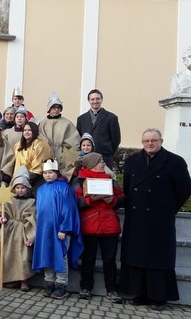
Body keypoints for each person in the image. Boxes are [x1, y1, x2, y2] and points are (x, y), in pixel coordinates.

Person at [120, 128, 191, 310]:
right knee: (137, 255)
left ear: (161, 141)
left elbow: (184, 189)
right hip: (137, 218)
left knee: (158, 257)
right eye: (146, 141)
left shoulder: (174, 162)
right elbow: (127, 187)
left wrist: (168, 208)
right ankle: (139, 293)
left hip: (160, 219)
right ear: (142, 143)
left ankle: (159, 297)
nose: (150, 143)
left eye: (154, 140)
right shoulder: (132, 161)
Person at [74, 152, 124, 303]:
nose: (103, 163)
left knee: (110, 260)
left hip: (109, 226)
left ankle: (112, 290)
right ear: (92, 164)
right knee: (88, 259)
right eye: (100, 161)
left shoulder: (110, 179)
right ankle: (86, 288)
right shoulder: (80, 180)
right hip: (90, 225)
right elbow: (75, 203)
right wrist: (90, 200)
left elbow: (123, 198)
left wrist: (113, 200)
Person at [32, 159, 83, 300]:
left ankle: (61, 285)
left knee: (60, 255)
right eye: (45, 173)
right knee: (46, 253)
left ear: (56, 173)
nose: (47, 175)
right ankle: (49, 281)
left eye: (50, 172)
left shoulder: (64, 188)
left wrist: (64, 229)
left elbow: (68, 209)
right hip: (44, 229)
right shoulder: (41, 190)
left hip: (59, 230)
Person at [0, 165, 36, 291]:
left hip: (22, 232)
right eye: (17, 187)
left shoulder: (31, 202)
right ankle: (10, 278)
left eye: (23, 187)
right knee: (8, 255)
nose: (20, 190)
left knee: (22, 257)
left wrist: (30, 237)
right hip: (8, 232)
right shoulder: (9, 200)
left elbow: (31, 219)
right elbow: (1, 211)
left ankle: (24, 280)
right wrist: (1, 218)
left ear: (27, 188)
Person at [38, 93, 81, 180]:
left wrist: (66, 155)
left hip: (63, 159)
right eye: (54, 107)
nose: (56, 110)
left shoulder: (67, 123)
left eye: (58, 107)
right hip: (47, 158)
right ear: (49, 109)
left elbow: (75, 142)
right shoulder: (42, 124)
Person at [76, 89, 121, 168]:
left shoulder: (111, 118)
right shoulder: (81, 119)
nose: (95, 101)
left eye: (97, 99)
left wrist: (108, 152)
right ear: (89, 101)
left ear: (101, 99)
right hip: (86, 160)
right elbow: (78, 138)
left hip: (104, 159)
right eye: (92, 99)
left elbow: (116, 140)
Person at [13, 122, 52, 188]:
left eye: (29, 130)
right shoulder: (18, 145)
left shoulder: (40, 145)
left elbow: (38, 167)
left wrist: (24, 180)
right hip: (17, 180)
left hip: (34, 180)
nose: (27, 132)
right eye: (25, 130)